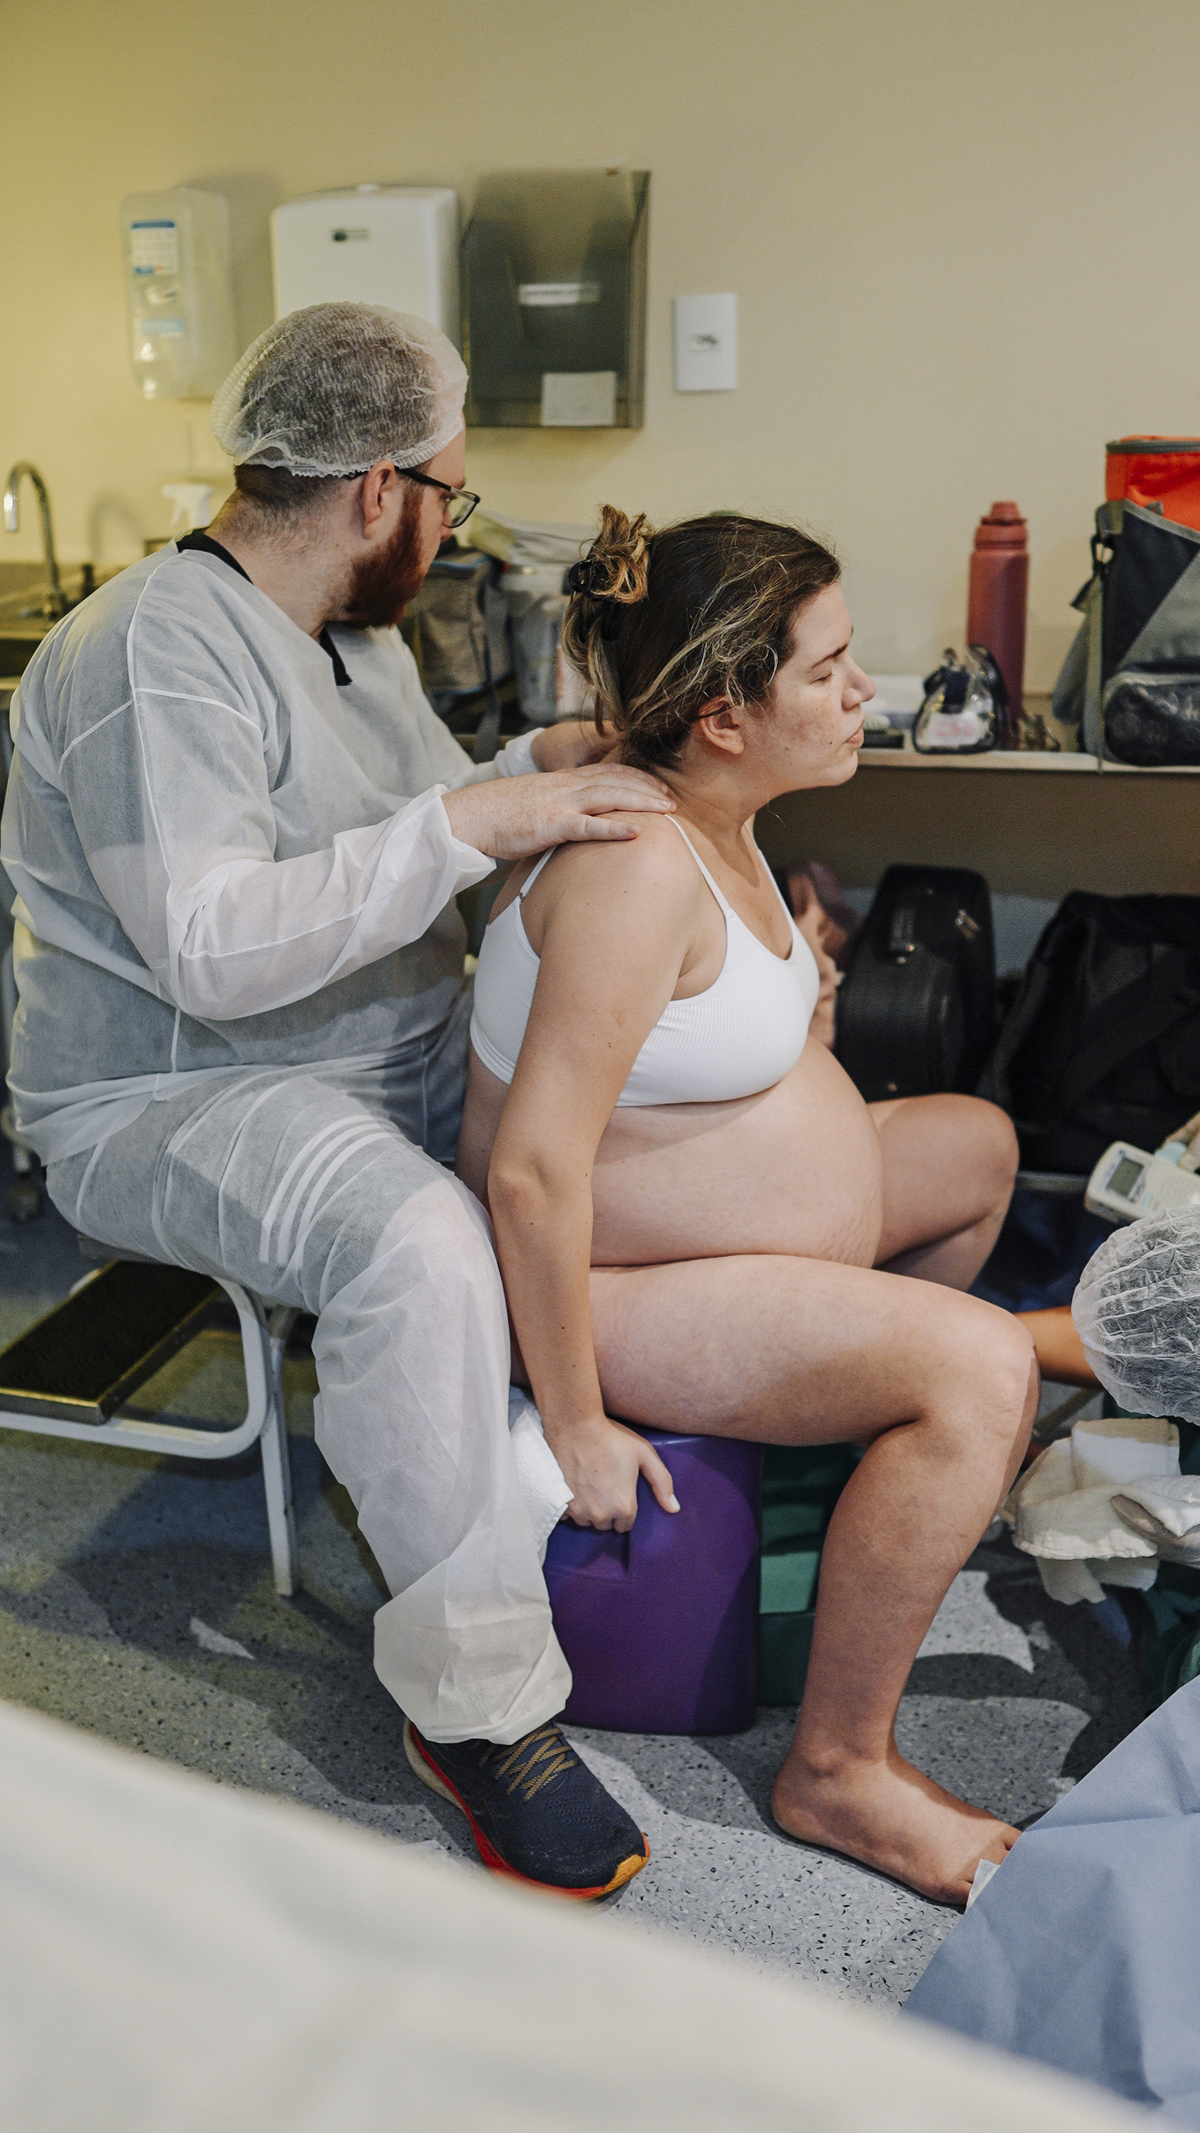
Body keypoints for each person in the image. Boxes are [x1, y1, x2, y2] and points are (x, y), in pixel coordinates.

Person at [0, 305, 680, 1901]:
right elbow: (214, 942)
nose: (450, 533)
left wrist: (538, 762)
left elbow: (404, 810)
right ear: (380, 492)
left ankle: (558, 1443)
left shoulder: (351, 637)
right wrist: (482, 817)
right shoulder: (153, 649)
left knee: (601, 1134)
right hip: (180, 1091)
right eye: (450, 497)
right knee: (422, 1242)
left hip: (374, 1044)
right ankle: (481, 1711)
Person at [458, 507, 1040, 1907]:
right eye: (829, 670)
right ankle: (839, 1769)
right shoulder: (634, 866)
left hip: (722, 1237)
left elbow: (692, 1059)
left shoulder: (723, 821)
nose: (864, 693)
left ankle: (876, 1488)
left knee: (979, 1146)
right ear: (723, 715)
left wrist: (806, 1017)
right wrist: (577, 1419)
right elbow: (532, 1171)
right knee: (985, 1366)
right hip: (608, 1287)